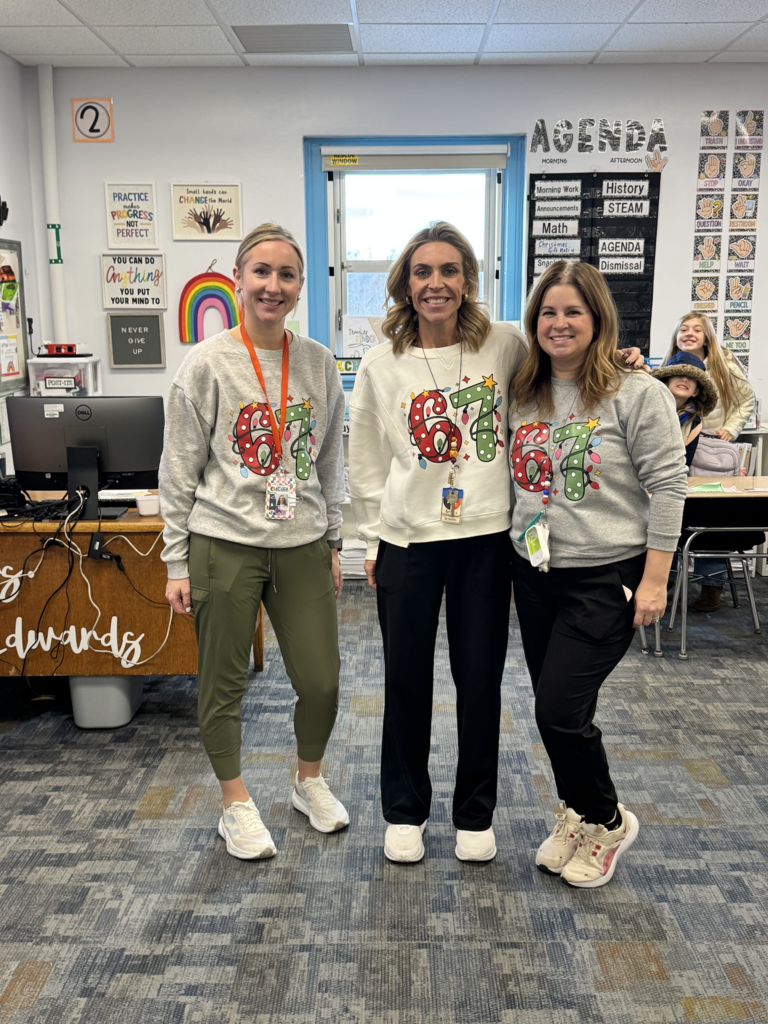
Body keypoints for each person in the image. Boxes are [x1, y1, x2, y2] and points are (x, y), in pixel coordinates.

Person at [349, 223, 646, 865]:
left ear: (469, 280)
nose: (436, 284)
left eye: (450, 270)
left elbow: (564, 368)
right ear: (405, 282)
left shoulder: (505, 344)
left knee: (479, 679)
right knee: (405, 680)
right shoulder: (381, 360)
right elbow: (366, 459)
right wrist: (368, 541)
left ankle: (474, 813)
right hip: (406, 541)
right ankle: (404, 811)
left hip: (487, 539)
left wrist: (621, 363)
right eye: (423, 272)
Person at [160, 222, 348, 861]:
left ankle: (308, 780)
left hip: (301, 543)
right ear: (238, 279)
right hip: (224, 542)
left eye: (286, 275)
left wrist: (334, 540)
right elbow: (179, 470)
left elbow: (330, 463)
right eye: (261, 272)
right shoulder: (207, 364)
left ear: (300, 286)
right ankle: (234, 803)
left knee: (320, 680)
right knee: (224, 680)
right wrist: (176, 560)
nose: (273, 285)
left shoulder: (320, 363)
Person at [509, 260, 687, 889]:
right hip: (534, 573)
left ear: (598, 319)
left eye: (573, 312)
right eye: (548, 312)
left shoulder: (638, 393)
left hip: (605, 576)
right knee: (552, 709)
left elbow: (668, 486)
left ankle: (608, 822)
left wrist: (656, 580)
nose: (559, 324)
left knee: (561, 710)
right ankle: (576, 815)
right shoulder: (522, 387)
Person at [661, 314, 755, 611]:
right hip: (676, 443)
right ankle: (667, 579)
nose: (689, 333)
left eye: (697, 330)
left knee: (708, 518)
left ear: (707, 337)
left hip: (712, 448)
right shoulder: (669, 365)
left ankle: (711, 585)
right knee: (673, 515)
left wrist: (732, 428)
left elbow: (746, 400)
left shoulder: (724, 365)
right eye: (684, 329)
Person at [651, 352, 717, 468]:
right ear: (666, 382)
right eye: (678, 374)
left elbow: (685, 464)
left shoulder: (693, 422)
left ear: (695, 392)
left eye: (691, 378)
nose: (684, 379)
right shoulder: (647, 409)